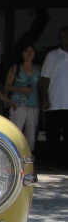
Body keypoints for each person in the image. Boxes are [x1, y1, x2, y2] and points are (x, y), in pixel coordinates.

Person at [40, 26, 68, 169]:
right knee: (53, 137)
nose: (63, 39)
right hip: (54, 103)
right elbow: (44, 78)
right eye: (61, 37)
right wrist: (44, 98)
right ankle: (53, 164)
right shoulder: (51, 56)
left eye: (65, 36)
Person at [5, 44, 40, 152]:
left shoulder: (39, 68)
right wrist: (21, 90)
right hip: (18, 104)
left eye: (31, 51)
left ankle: (28, 158)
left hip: (34, 104)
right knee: (16, 131)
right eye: (26, 51)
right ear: (22, 53)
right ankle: (14, 155)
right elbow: (7, 86)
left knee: (31, 134)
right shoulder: (15, 68)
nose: (29, 54)